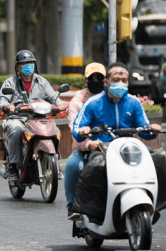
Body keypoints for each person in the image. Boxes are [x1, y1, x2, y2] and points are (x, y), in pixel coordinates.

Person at [70, 62, 162, 220]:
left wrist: (152, 130)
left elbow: (145, 130)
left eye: (124, 80)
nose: (120, 83)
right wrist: (83, 131)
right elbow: (77, 129)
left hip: (130, 150)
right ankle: (90, 210)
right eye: (116, 79)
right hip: (102, 149)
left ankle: (156, 204)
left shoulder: (134, 103)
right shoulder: (93, 103)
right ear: (106, 82)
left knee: (158, 160)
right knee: (95, 165)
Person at [0, 50, 67, 181]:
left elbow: (53, 97)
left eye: (31, 62)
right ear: (18, 66)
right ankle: (12, 165)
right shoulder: (10, 82)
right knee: (16, 130)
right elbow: (1, 99)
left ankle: (55, 163)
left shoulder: (42, 82)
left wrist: (61, 104)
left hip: (39, 118)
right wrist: (7, 106)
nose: (28, 65)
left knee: (55, 130)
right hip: (18, 118)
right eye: (24, 63)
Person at [63, 62, 106, 218]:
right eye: (92, 78)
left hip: (111, 147)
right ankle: (73, 205)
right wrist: (88, 144)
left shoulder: (111, 97)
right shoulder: (77, 102)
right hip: (86, 148)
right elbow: (75, 131)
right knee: (74, 165)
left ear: (105, 80)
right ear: (85, 81)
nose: (96, 80)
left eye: (99, 77)